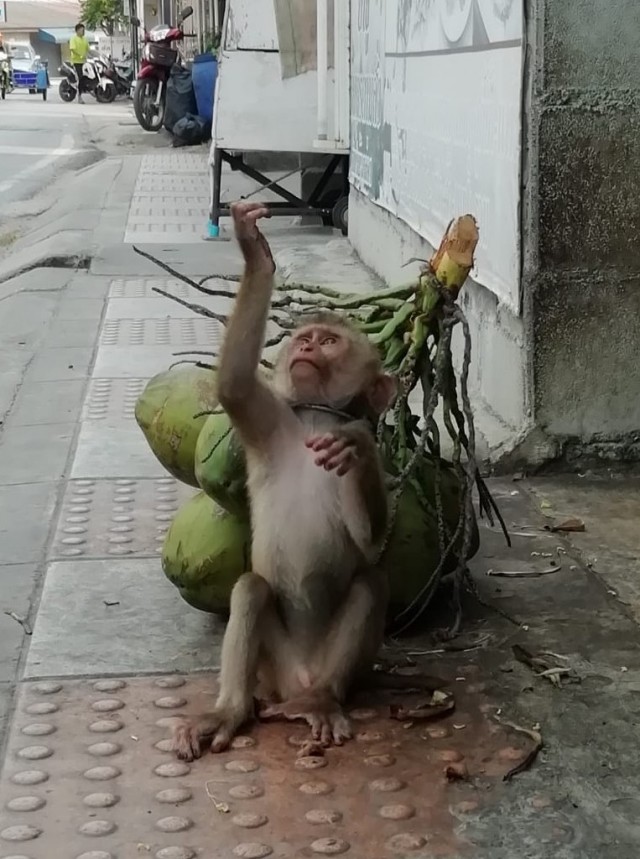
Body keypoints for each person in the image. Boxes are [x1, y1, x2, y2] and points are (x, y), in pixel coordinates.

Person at [69, 23, 89, 104]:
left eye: (84, 30)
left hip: (84, 62)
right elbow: (72, 49)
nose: (83, 31)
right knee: (80, 78)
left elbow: (88, 49)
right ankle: (79, 97)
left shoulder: (85, 39)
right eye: (82, 30)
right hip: (76, 62)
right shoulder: (73, 39)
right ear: (77, 31)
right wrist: (80, 55)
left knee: (87, 77)